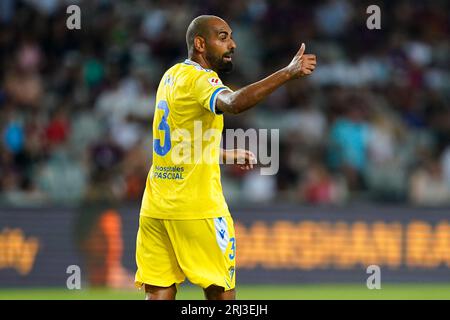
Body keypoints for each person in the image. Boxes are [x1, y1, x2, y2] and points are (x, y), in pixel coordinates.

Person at [135, 15, 316, 300]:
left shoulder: (171, 76)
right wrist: (287, 73)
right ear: (199, 44)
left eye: (231, 36)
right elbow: (233, 103)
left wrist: (223, 154)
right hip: (197, 207)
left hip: (156, 206)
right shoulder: (201, 79)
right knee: (221, 294)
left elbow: (178, 141)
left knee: (158, 293)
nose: (232, 44)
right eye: (222, 37)